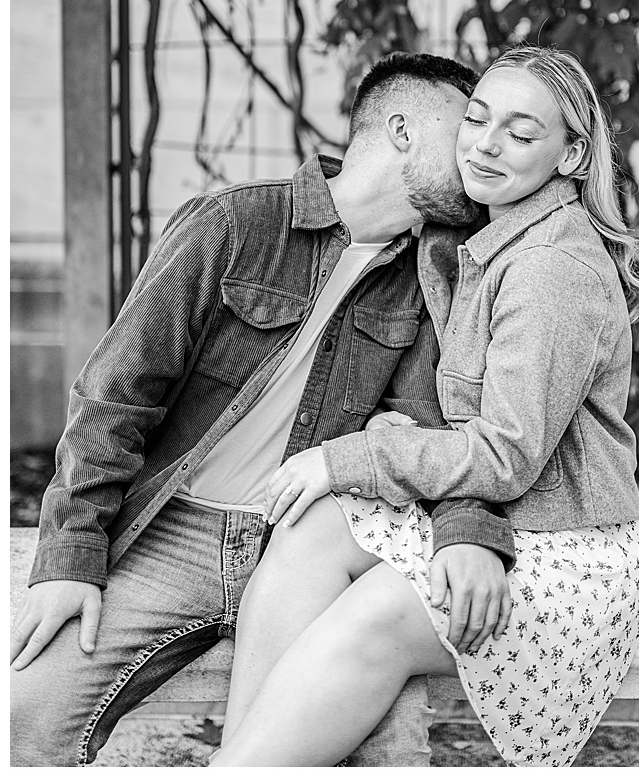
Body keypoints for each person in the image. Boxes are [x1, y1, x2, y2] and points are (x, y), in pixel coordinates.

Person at [10, 53, 515, 766]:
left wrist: (468, 533)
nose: (478, 148)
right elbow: (114, 394)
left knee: (384, 740)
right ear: (401, 129)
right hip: (174, 533)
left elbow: (437, 433)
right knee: (24, 715)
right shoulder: (237, 224)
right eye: (466, 122)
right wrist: (69, 558)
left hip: (312, 541)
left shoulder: (432, 274)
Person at [210, 45, 639, 769]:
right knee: (312, 526)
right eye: (477, 118)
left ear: (572, 154)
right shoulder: (483, 239)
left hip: (569, 557)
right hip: (519, 526)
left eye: (520, 131)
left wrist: (347, 455)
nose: (485, 143)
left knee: (372, 617)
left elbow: (504, 455)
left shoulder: (550, 269)